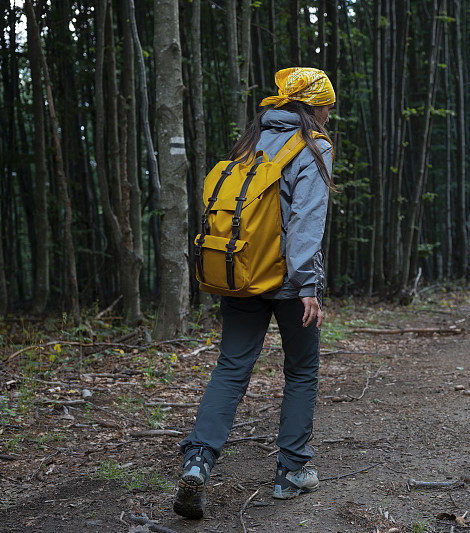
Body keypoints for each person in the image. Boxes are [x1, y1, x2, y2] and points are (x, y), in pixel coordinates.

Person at [173, 67, 336, 519]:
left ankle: (198, 462)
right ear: (313, 107)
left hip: (241, 272)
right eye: (326, 107)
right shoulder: (313, 147)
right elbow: (305, 223)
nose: (329, 116)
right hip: (287, 283)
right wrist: (308, 286)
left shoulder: (252, 139)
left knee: (231, 367)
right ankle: (291, 472)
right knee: (301, 371)